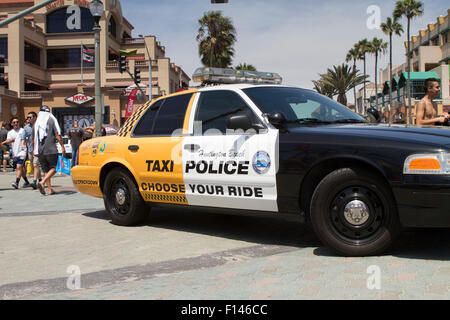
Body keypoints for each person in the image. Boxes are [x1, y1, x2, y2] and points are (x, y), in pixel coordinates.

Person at [34, 106, 66, 195]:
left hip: (40, 150)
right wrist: (62, 146)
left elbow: (34, 139)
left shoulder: (37, 123)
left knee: (46, 170)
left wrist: (35, 151)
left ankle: (49, 189)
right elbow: (57, 134)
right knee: (55, 167)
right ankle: (42, 182)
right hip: (51, 149)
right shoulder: (52, 121)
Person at [1, 117, 30, 188]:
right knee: (21, 168)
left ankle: (16, 182)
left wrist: (28, 148)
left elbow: (26, 140)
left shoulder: (22, 130)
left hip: (22, 152)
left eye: (17, 122)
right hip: (15, 152)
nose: (16, 123)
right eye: (14, 122)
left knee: (19, 167)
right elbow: (8, 142)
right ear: (11, 124)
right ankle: (26, 182)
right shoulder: (10, 132)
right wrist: (9, 141)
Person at [21, 112, 41, 189]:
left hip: (39, 149)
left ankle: (34, 181)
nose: (28, 119)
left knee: (36, 164)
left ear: (35, 117)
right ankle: (40, 180)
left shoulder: (39, 126)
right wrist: (23, 144)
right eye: (28, 117)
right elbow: (23, 138)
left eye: (30, 117)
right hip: (30, 150)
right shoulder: (26, 128)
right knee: (35, 165)